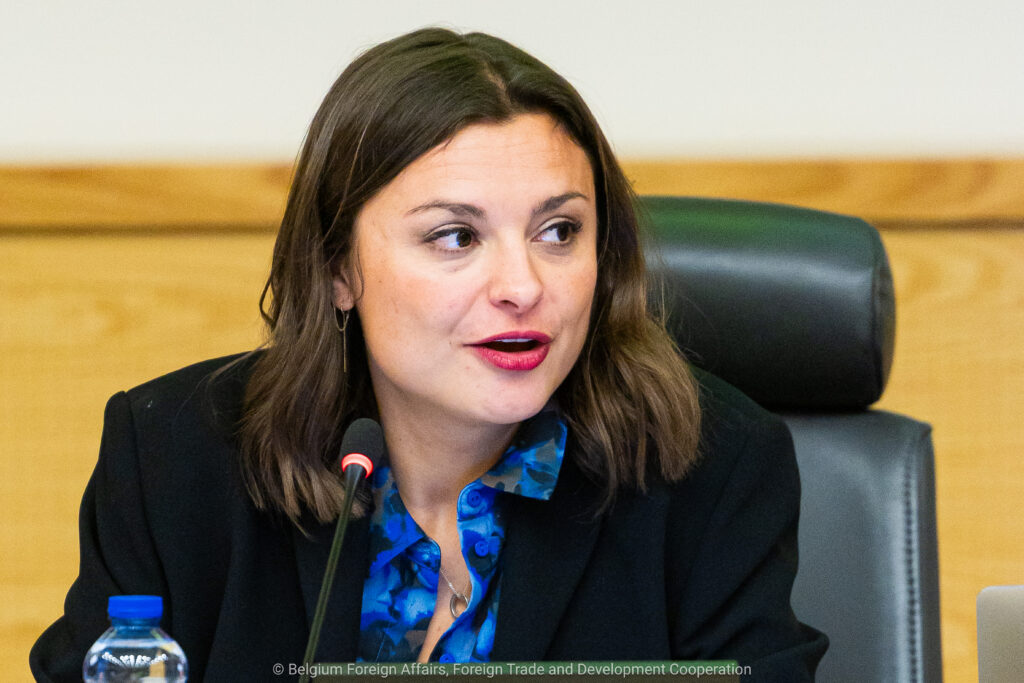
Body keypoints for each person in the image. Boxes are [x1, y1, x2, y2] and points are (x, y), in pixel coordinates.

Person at [31, 28, 827, 680]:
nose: (523, 285)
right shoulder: (175, 458)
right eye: (455, 236)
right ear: (339, 268)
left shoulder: (709, 470)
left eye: (559, 231)